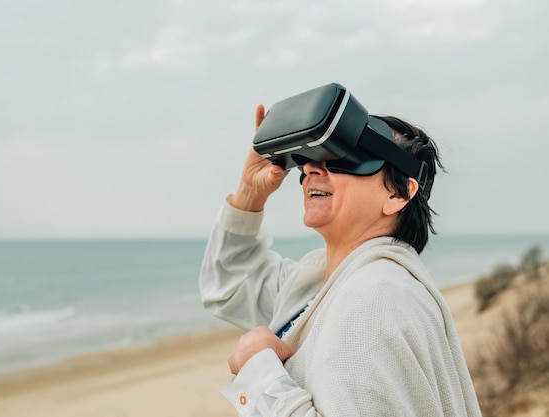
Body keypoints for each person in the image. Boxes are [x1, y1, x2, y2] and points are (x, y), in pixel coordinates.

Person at [199, 103, 482, 416]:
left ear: (398, 195)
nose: (310, 169)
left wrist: (260, 375)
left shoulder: (373, 299)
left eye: (342, 156)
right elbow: (230, 287)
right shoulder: (325, 285)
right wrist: (251, 192)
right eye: (308, 158)